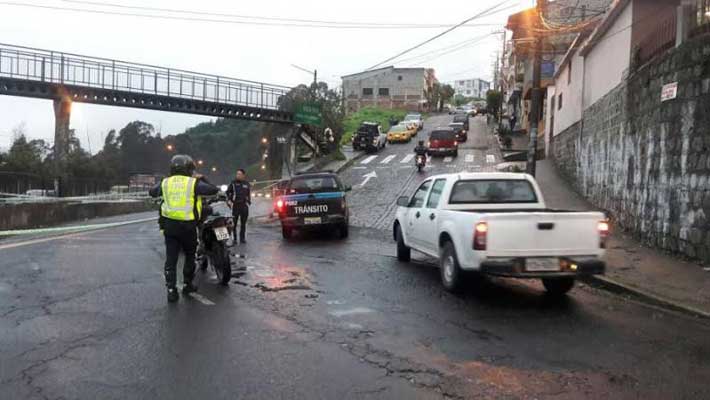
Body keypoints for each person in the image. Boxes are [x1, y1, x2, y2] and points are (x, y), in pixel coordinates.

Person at [150, 155, 218, 303]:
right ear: (189, 169)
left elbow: (152, 192)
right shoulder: (192, 183)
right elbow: (213, 190)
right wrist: (202, 178)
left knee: (171, 259)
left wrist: (163, 182)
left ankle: (171, 290)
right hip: (188, 227)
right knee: (189, 256)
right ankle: (187, 284)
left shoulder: (165, 183)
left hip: (170, 227)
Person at [226, 169, 251, 245]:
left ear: (243, 175)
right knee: (234, 224)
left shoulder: (246, 184)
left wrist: (248, 201)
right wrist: (229, 201)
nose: (238, 175)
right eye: (237, 174)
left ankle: (242, 238)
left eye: (240, 174)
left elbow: (248, 194)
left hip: (244, 206)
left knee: (243, 224)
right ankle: (234, 239)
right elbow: (228, 192)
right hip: (236, 205)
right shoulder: (233, 183)